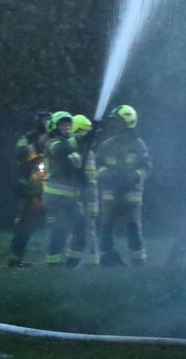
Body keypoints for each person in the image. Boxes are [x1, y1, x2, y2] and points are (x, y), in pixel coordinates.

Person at [96, 104, 151, 266]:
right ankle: (105, 258)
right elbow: (97, 165)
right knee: (106, 227)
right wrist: (106, 174)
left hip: (131, 195)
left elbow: (147, 168)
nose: (115, 124)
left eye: (118, 121)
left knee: (133, 228)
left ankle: (139, 262)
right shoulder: (106, 145)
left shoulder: (139, 145)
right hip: (110, 194)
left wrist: (133, 177)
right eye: (114, 121)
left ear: (129, 122)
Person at [43, 111, 87, 267]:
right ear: (54, 127)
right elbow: (61, 150)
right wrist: (81, 138)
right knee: (58, 230)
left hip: (71, 198)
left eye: (69, 123)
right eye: (62, 124)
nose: (67, 127)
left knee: (81, 227)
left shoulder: (71, 145)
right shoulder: (52, 143)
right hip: (55, 198)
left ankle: (72, 264)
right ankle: (53, 265)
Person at [8, 111, 51, 267]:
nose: (46, 123)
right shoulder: (27, 139)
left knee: (56, 223)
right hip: (31, 189)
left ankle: (54, 259)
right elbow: (20, 155)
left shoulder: (57, 139)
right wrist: (38, 145)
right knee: (25, 223)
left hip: (53, 188)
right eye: (44, 120)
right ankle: (15, 259)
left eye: (49, 120)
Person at [72, 114, 102, 265]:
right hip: (83, 196)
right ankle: (84, 260)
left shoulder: (88, 152)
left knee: (89, 227)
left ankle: (90, 261)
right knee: (83, 228)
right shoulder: (78, 152)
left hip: (89, 196)